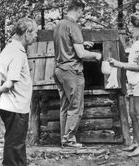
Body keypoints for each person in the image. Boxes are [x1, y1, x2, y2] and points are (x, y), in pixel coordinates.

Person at [53, 0, 102, 148]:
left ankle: (64, 138)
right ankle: (69, 140)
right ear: (78, 10)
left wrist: (82, 44)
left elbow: (67, 45)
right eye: (82, 12)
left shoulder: (59, 25)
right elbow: (80, 54)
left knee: (65, 106)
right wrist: (95, 55)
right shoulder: (73, 25)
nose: (82, 15)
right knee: (76, 107)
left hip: (59, 70)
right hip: (72, 71)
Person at [0, 17, 38, 166]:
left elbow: (2, 76)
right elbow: (9, 82)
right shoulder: (17, 53)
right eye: (34, 32)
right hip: (16, 107)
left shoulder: (8, 49)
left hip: (9, 105)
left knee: (16, 143)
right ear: (27, 33)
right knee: (14, 146)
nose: (36, 36)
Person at [109, 12, 139, 157]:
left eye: (131, 25)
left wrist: (118, 64)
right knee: (133, 113)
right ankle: (136, 142)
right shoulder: (136, 43)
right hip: (134, 83)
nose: (129, 27)